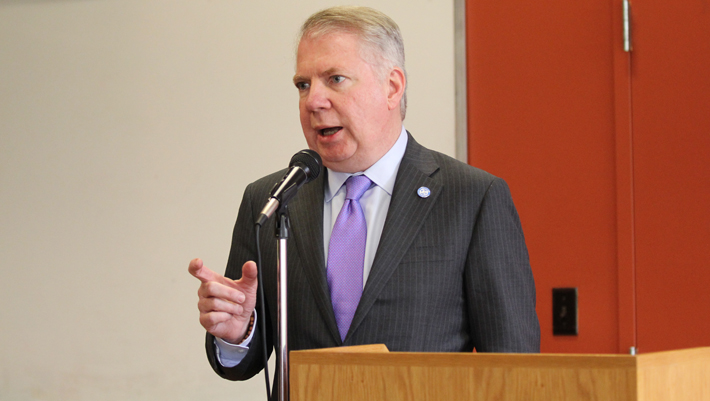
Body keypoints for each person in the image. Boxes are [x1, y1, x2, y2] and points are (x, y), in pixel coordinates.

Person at [189, 5, 540, 383]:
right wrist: (238, 332)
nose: (313, 101)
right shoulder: (272, 199)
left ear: (392, 87)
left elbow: (513, 367)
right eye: (303, 85)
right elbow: (244, 361)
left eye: (335, 79)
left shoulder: (471, 198)